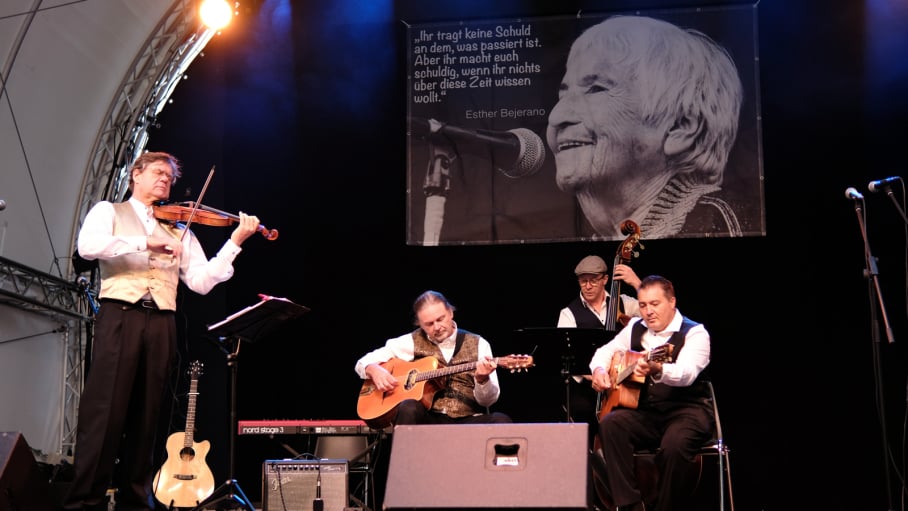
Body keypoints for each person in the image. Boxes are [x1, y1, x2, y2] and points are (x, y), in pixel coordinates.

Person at [64, 151, 261, 511]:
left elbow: (201, 282)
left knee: (148, 416)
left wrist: (234, 242)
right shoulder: (109, 211)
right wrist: (145, 243)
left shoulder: (178, 230)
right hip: (120, 315)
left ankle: (135, 501)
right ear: (135, 176)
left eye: (169, 177)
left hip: (161, 323)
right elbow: (87, 247)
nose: (165, 181)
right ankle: (83, 502)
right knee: (104, 413)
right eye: (158, 173)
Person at [546, 15, 744, 240]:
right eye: (563, 94)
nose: (556, 116)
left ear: (681, 127)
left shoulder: (719, 223)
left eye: (596, 89)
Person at [589, 275, 712, 511]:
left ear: (672, 302)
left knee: (675, 446)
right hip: (648, 412)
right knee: (611, 424)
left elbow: (686, 373)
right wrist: (599, 370)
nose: (648, 312)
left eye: (655, 304)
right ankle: (630, 505)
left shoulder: (695, 333)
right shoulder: (636, 327)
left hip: (687, 411)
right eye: (643, 305)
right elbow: (604, 352)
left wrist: (658, 369)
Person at [355, 290, 511, 425]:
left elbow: (488, 401)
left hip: (467, 419)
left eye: (440, 319)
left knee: (501, 420)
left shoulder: (479, 343)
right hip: (429, 419)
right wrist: (373, 369)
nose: (436, 327)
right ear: (420, 324)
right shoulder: (410, 341)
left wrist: (483, 380)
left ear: (450, 313)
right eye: (429, 324)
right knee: (408, 407)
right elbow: (363, 362)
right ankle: (406, 458)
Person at [557, 255, 641, 437]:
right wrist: (596, 374)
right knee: (582, 412)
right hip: (587, 385)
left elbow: (655, 310)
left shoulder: (623, 302)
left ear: (605, 279)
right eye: (583, 281)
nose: (587, 286)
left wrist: (637, 283)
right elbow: (568, 354)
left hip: (623, 380)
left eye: (593, 281)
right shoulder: (568, 314)